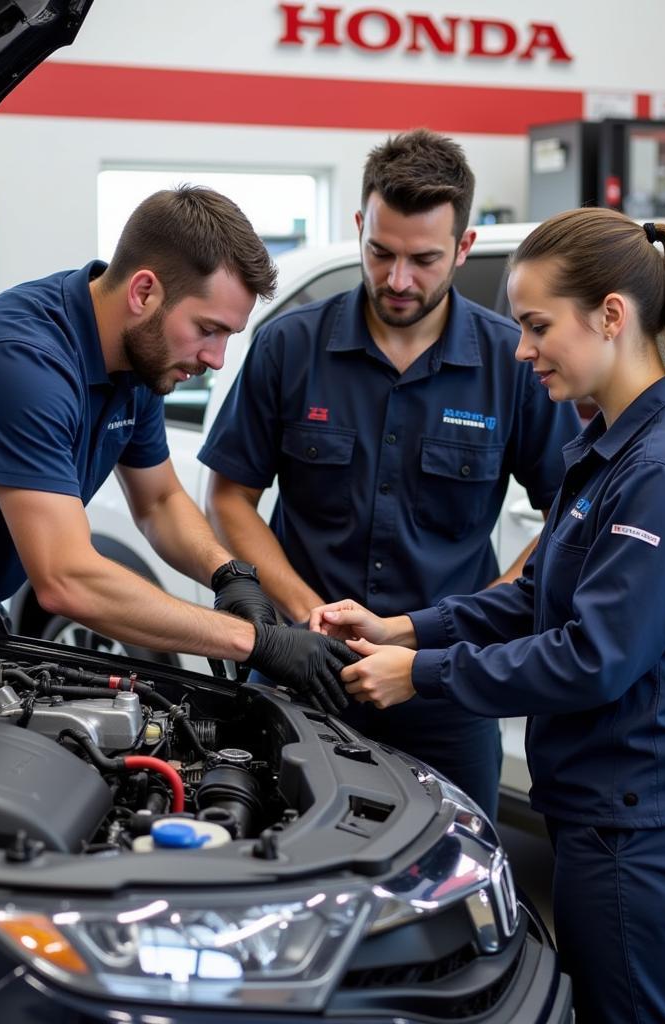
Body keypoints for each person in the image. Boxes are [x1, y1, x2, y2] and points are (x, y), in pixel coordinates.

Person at [309, 208, 665, 1024]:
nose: (521, 352)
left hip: (646, 823)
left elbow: (595, 657)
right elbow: (538, 596)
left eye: (537, 326)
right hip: (617, 809)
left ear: (612, 317)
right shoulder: (614, 446)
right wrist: (404, 629)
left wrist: (422, 677)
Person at [0, 187, 354, 712]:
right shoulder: (22, 361)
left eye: (228, 337)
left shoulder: (139, 358)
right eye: (208, 330)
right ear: (144, 292)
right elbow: (65, 578)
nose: (215, 358)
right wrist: (255, 642)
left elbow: (159, 500)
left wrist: (228, 574)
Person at [198, 130, 580, 821]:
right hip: (296, 670)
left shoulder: (511, 365)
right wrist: (306, 611)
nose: (398, 279)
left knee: (446, 880)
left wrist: (476, 617)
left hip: (441, 690)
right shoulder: (290, 345)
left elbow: (570, 514)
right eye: (381, 252)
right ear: (359, 229)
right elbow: (229, 497)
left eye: (424, 259)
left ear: (463, 249)